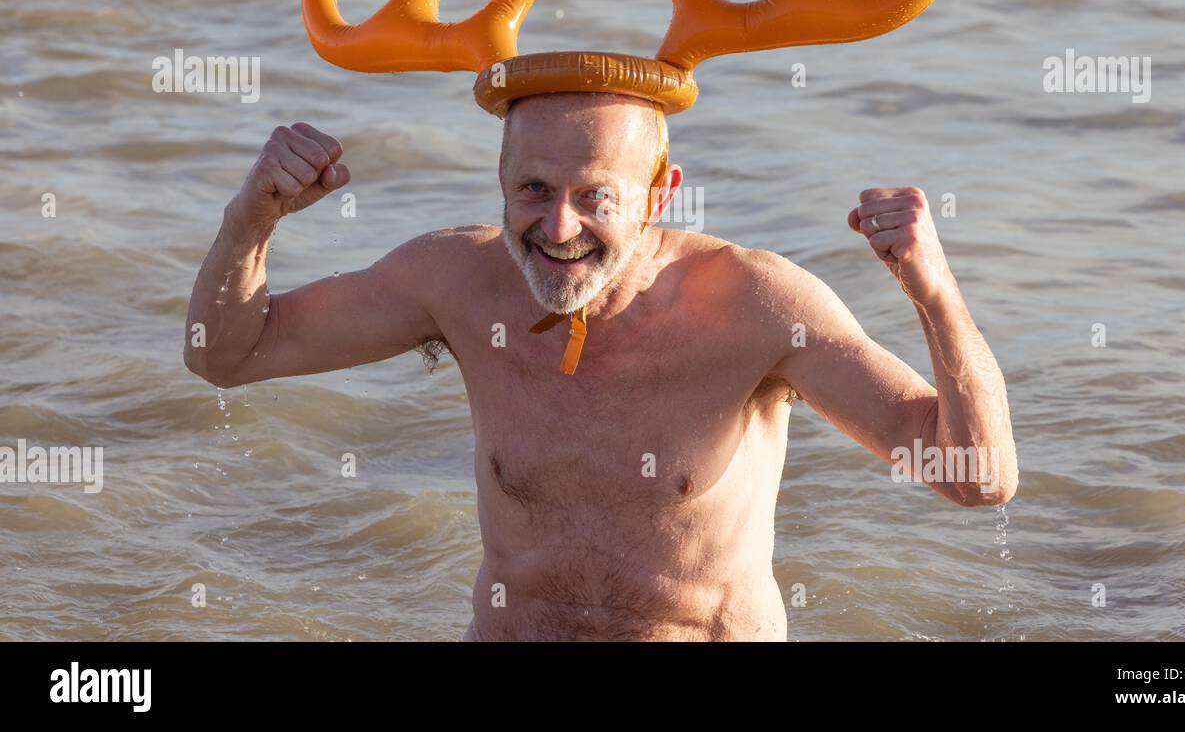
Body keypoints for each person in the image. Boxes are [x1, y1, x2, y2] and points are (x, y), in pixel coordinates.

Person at [183, 90, 1018, 641]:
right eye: (534, 190)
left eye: (595, 197)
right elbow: (226, 353)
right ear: (501, 182)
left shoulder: (756, 304)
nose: (557, 226)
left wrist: (935, 293)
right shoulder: (456, 282)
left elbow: (976, 476)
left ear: (661, 195)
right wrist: (251, 215)